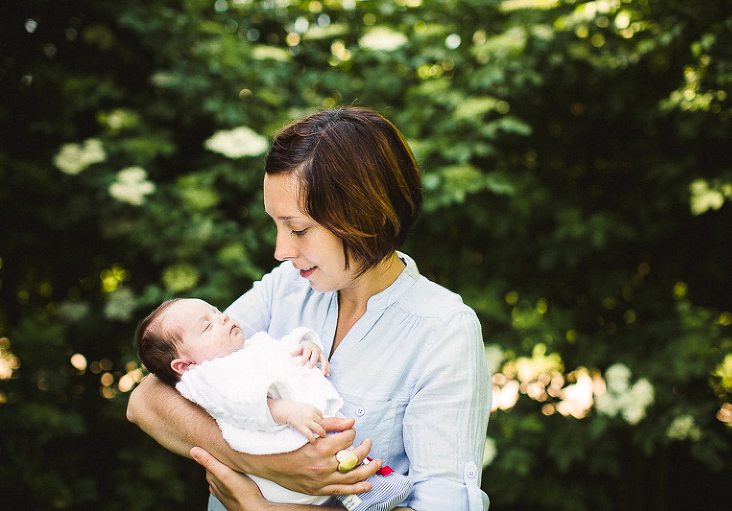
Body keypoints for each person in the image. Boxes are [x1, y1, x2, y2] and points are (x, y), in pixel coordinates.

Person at [127, 106, 492, 510]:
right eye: (277, 225)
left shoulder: (443, 330)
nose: (281, 250)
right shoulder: (284, 287)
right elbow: (147, 399)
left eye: (298, 228)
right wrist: (271, 464)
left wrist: (264, 507)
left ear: (362, 215)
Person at [134, 297, 412, 511]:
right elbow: (238, 402)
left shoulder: (250, 348)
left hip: (302, 438)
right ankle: (361, 495)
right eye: (207, 325)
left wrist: (307, 345)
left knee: (337, 456)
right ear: (185, 365)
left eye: (218, 312)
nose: (223, 318)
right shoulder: (206, 378)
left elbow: (281, 347)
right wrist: (282, 411)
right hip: (275, 466)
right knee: (330, 462)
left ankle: (367, 491)